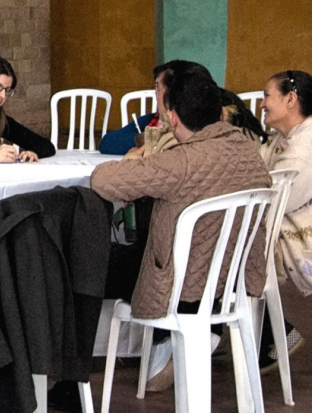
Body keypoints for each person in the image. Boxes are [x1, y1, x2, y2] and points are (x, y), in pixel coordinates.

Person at [88, 68, 272, 392]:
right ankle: (179, 342)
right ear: (218, 113)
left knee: (82, 265)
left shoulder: (181, 161)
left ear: (172, 118)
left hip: (179, 280)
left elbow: (102, 180)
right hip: (229, 276)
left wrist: (135, 160)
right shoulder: (248, 152)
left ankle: (68, 377)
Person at [259, 70, 312, 367]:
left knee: (236, 248)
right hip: (289, 226)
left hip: (302, 236)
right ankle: (271, 336)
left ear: (290, 99)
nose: (262, 103)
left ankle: (271, 336)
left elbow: (272, 203)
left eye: (267, 95)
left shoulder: (303, 150)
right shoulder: (283, 138)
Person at [98, 60, 212, 157]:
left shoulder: (201, 128)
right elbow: (107, 142)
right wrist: (144, 138)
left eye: (158, 87)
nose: (156, 94)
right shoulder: (151, 120)